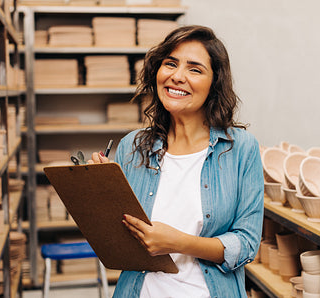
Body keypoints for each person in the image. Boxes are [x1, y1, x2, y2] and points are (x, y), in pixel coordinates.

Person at [89, 25, 264, 297]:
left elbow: (247, 244)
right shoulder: (132, 147)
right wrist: (102, 194)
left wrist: (179, 242)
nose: (177, 76)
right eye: (170, 64)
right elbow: (116, 244)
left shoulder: (240, 149)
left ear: (214, 83)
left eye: (194, 69)